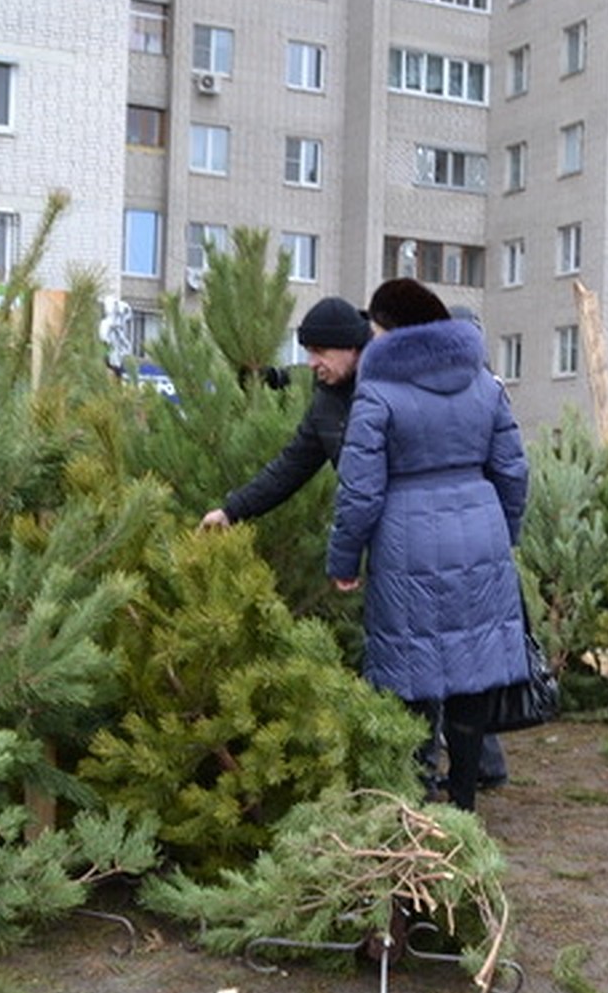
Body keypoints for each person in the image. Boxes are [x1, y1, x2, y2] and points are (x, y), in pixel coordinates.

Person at [327, 278, 530, 811]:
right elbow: (513, 469)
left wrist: (344, 558)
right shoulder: (485, 384)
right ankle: (463, 801)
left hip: (407, 539)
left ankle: (414, 801)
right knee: (472, 671)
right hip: (480, 532)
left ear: (391, 330)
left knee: (411, 672)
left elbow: (360, 490)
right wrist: (504, 535)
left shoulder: (378, 391)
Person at [200, 296, 371, 528]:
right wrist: (232, 511)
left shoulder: (393, 385)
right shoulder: (326, 401)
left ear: (351, 347)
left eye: (320, 352)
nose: (311, 363)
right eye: (309, 352)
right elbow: (290, 468)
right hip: (370, 532)